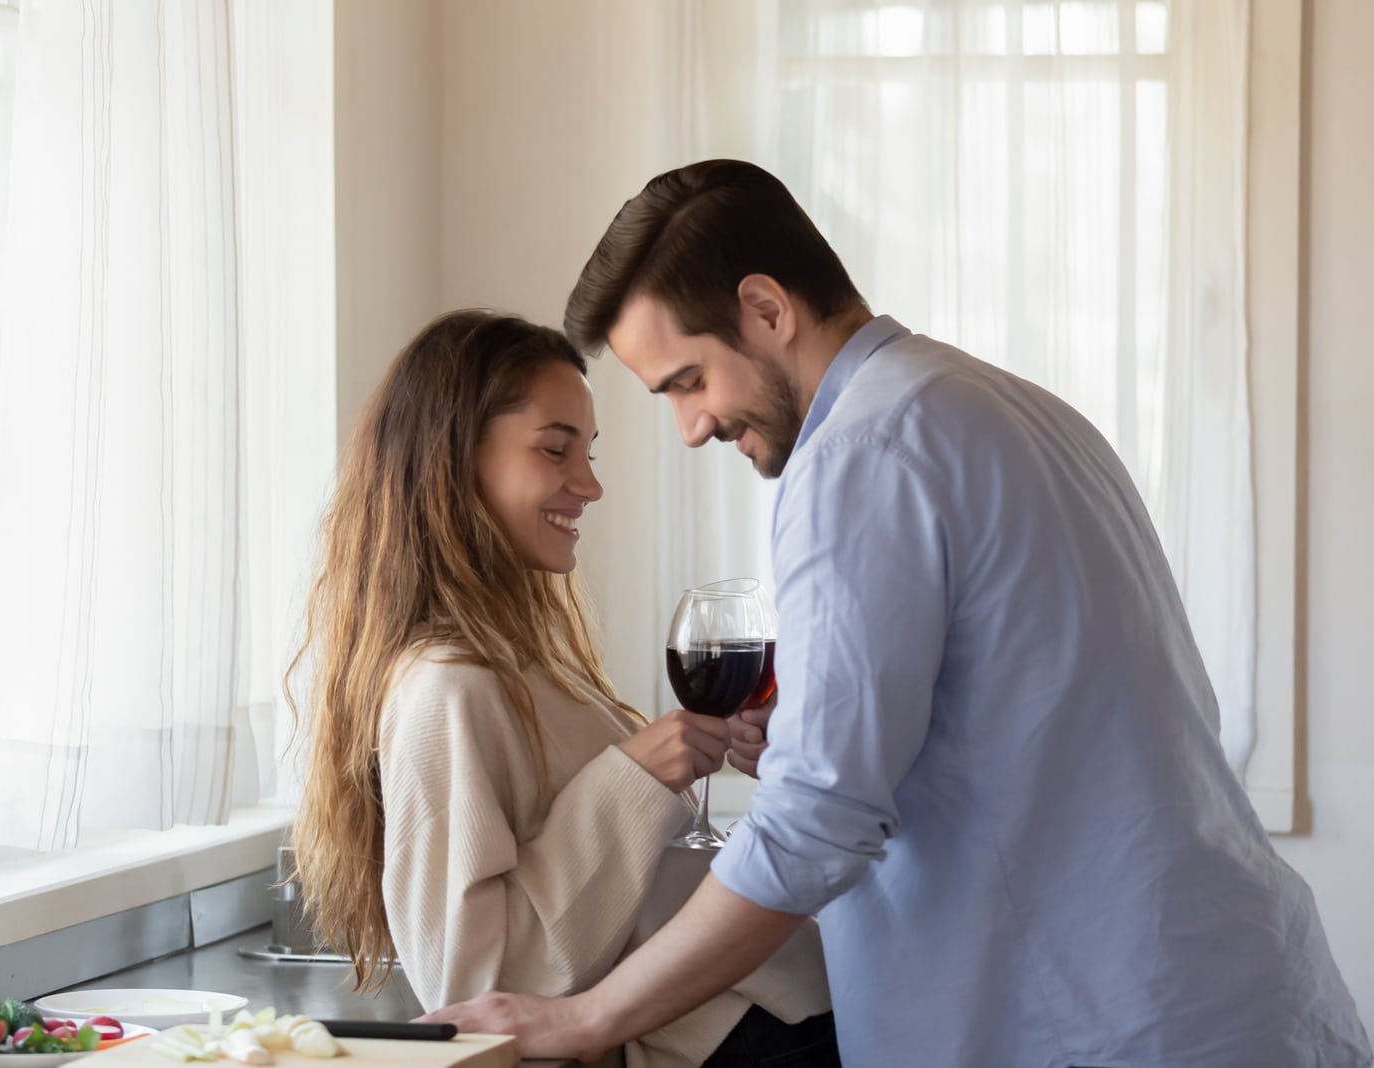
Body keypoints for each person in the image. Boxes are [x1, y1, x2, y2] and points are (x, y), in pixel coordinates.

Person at [421, 161, 1374, 1067]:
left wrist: (585, 1017)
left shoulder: (860, 454)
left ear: (764, 308)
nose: (692, 425)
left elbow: (813, 828)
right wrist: (815, 733)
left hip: (1086, 1026)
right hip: (1239, 996)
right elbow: (1054, 711)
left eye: (688, 381)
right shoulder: (1010, 405)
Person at [285, 308, 839, 1068]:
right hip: (741, 1039)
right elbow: (477, 988)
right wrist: (634, 777)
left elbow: (635, 890)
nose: (590, 484)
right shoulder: (447, 687)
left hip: (776, 1015)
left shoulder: (524, 661)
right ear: (454, 461)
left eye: (590, 451)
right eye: (556, 451)